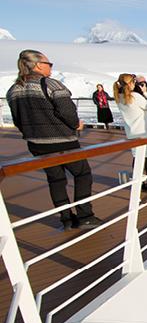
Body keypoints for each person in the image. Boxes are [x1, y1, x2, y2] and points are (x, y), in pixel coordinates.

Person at [5, 50, 102, 230]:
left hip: (36, 145)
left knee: (56, 180)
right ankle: (85, 216)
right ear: (38, 65)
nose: (51, 68)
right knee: (82, 175)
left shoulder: (13, 90)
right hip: (64, 142)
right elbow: (68, 111)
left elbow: (18, 120)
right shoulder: (51, 84)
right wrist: (75, 125)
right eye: (49, 64)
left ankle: (66, 219)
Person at [114, 74, 147, 191]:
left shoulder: (119, 97)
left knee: (137, 159)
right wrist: (144, 93)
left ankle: (138, 182)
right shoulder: (135, 96)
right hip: (145, 132)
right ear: (131, 83)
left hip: (132, 133)